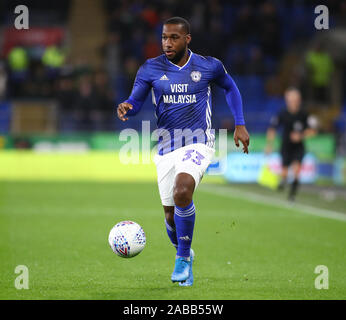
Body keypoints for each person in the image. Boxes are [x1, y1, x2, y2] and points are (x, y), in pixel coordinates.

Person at [117, 17, 249, 286]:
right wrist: (128, 106)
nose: (167, 42)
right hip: (166, 146)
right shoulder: (150, 68)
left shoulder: (209, 66)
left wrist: (240, 123)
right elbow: (137, 98)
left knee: (182, 190)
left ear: (187, 39)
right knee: (170, 216)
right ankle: (185, 252)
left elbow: (230, 87)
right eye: (164, 37)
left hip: (199, 141)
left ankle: (182, 260)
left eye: (174, 37)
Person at [266, 87, 317, 201]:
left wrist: (301, 135)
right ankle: (283, 181)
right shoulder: (282, 113)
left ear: (299, 100)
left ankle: (292, 196)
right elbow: (272, 129)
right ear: (287, 100)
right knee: (284, 173)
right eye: (290, 99)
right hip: (286, 146)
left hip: (298, 147)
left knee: (297, 171)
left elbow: (313, 130)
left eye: (295, 99)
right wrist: (269, 145)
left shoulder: (304, 114)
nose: (293, 102)